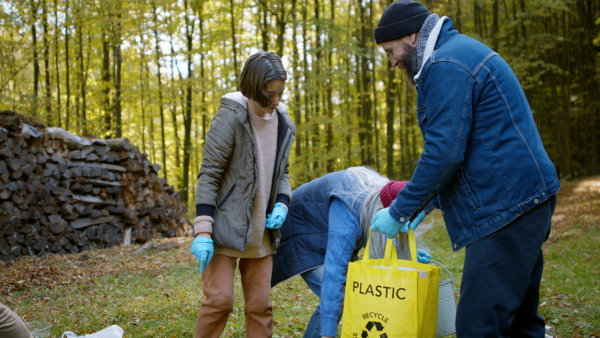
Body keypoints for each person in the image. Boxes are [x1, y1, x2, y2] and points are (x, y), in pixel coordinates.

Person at [370, 1, 561, 337]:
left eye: (390, 50)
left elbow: (445, 153)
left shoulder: (446, 64)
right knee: (520, 324)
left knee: (478, 327)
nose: (392, 62)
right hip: (522, 202)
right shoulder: (456, 53)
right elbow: (473, 149)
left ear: (412, 36)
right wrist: (426, 204)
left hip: (505, 210)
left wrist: (399, 211)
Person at [190, 51, 295, 338]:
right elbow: (209, 175)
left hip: (261, 232)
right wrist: (203, 231)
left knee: (261, 307)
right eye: (270, 95)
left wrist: (282, 203)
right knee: (219, 302)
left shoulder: (283, 121)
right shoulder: (229, 119)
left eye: (280, 93)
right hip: (225, 229)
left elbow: (282, 172)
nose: (276, 101)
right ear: (252, 89)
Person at [271, 166, 432, 338]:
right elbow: (334, 273)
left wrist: (406, 253)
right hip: (302, 235)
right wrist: (328, 334)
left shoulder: (383, 196)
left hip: (325, 229)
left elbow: (385, 234)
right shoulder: (349, 208)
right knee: (340, 295)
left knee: (359, 288)